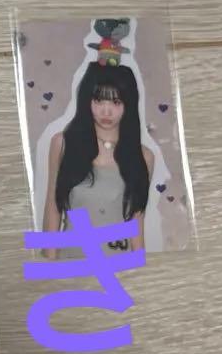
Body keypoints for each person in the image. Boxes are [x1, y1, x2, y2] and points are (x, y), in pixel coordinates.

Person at [42, 61, 152, 256]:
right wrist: (49, 261)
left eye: (116, 102)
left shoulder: (143, 157)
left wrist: (140, 268)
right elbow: (53, 206)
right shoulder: (63, 144)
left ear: (128, 103)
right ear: (87, 100)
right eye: (99, 100)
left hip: (120, 266)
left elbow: (137, 220)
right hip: (72, 263)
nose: (106, 111)